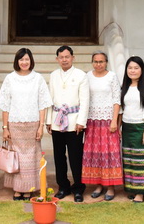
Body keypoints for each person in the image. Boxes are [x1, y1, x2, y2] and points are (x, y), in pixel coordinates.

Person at [0, 47, 52, 200]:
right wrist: (5, 127)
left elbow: (43, 104)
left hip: (33, 124)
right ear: (17, 61)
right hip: (15, 124)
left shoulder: (38, 78)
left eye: (27, 59)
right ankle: (17, 188)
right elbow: (5, 105)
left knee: (32, 157)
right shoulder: (10, 78)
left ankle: (29, 188)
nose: (24, 62)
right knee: (17, 158)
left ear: (31, 60)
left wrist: (41, 126)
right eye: (21, 59)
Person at [46, 45, 89, 202]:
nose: (64, 59)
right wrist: (49, 121)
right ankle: (63, 186)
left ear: (73, 57)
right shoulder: (53, 75)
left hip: (74, 122)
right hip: (57, 121)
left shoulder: (81, 75)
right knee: (59, 156)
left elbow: (85, 101)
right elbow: (50, 100)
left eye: (67, 56)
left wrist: (81, 122)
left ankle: (78, 188)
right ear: (57, 59)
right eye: (61, 57)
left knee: (75, 157)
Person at [82, 51, 122, 201]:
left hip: (107, 120)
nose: (98, 64)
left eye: (101, 61)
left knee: (109, 154)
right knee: (95, 154)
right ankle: (98, 184)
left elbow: (116, 100)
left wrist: (114, 121)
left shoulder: (112, 77)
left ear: (106, 62)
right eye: (96, 61)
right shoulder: (87, 76)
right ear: (92, 62)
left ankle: (110, 186)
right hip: (92, 120)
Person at [119, 56, 144, 203]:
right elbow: (121, 110)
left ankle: (141, 192)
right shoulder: (124, 88)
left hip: (141, 127)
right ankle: (132, 188)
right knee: (129, 159)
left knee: (141, 160)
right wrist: (118, 127)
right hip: (127, 127)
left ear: (141, 70)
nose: (133, 71)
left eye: (136, 68)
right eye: (130, 68)